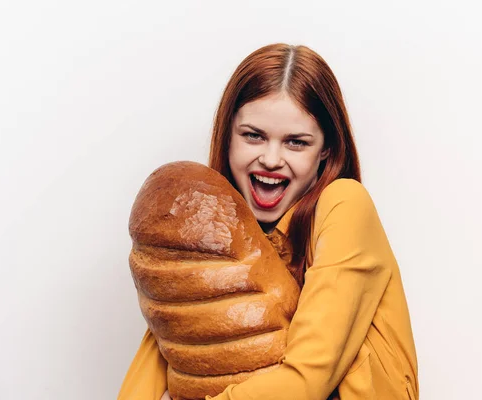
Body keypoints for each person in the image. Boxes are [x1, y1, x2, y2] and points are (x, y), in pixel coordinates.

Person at [118, 43, 418, 400]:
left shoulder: (345, 205)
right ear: (227, 136)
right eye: (253, 135)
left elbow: (308, 377)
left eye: (296, 142)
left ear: (326, 149)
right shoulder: (222, 233)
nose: (271, 159)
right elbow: (167, 350)